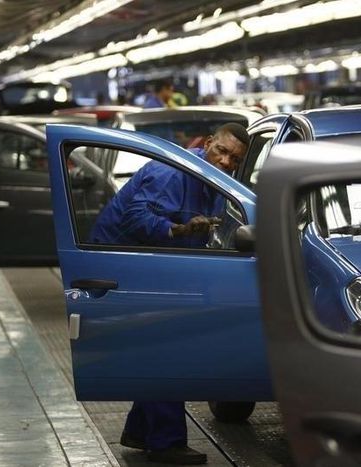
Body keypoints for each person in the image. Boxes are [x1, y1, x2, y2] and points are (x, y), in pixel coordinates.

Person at [88, 122, 250, 464]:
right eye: (221, 151)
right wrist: (178, 230)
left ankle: (143, 432)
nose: (225, 162)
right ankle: (166, 442)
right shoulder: (172, 173)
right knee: (166, 344)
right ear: (208, 143)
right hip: (123, 261)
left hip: (155, 263)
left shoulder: (214, 181)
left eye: (234, 159)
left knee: (158, 346)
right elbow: (137, 218)